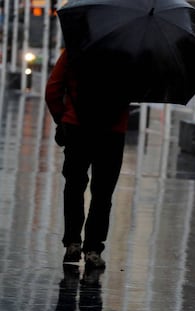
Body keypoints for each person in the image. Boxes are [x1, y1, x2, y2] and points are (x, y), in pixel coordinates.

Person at [45, 49, 130, 269]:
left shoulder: (75, 49)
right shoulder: (129, 53)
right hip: (112, 133)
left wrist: (61, 118)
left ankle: (72, 242)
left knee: (74, 185)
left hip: (76, 128)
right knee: (103, 193)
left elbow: (53, 90)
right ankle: (93, 250)